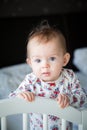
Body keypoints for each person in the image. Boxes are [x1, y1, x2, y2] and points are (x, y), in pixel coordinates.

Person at [9, 20, 86, 130]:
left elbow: (83, 97)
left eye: (52, 58)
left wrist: (69, 99)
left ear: (64, 60)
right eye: (38, 60)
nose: (45, 65)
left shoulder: (69, 77)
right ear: (30, 63)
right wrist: (21, 95)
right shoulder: (31, 80)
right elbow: (12, 98)